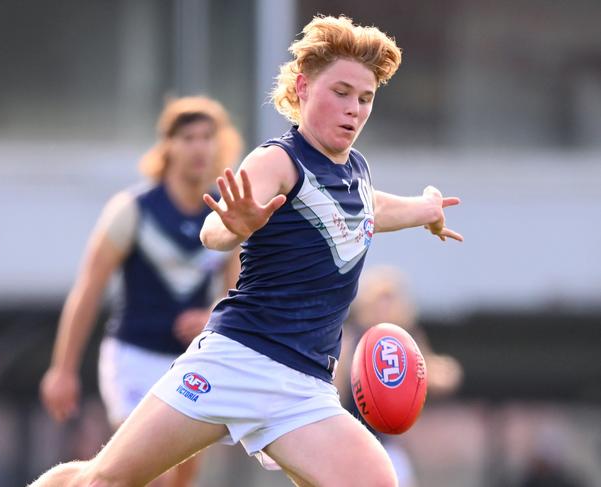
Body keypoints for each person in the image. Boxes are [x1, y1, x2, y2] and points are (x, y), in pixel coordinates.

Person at [30, 15, 463, 487]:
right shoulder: (277, 159)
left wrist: (426, 209)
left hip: (304, 390)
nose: (353, 109)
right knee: (104, 482)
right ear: (302, 87)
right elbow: (215, 230)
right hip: (237, 360)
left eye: (365, 98)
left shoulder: (356, 169)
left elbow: (370, 208)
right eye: (340, 93)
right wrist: (232, 227)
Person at [38, 96, 242, 487]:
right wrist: (62, 370)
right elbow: (88, 290)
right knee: (145, 470)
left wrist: (210, 317)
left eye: (206, 137)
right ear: (168, 145)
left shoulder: (224, 213)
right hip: (132, 356)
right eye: (187, 137)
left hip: (188, 365)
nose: (199, 147)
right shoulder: (132, 209)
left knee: (184, 473)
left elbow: (235, 296)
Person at [336, 266, 464, 487]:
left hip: (389, 442)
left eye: (390, 300)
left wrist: (439, 373)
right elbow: (336, 387)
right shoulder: (352, 338)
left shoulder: (406, 339)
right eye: (379, 300)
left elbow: (439, 374)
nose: (384, 307)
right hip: (355, 439)